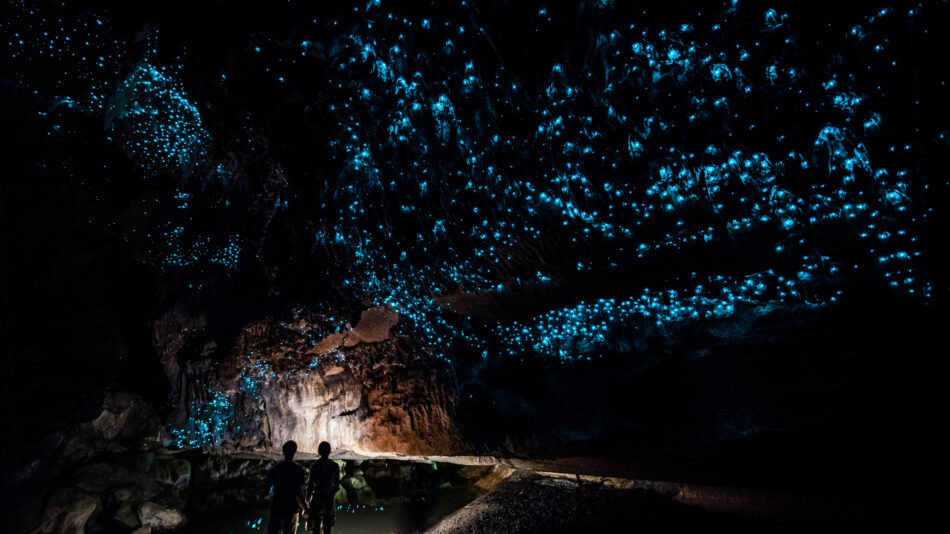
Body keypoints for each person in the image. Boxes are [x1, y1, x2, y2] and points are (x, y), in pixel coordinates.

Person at [264, 440, 308, 534]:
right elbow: (297, 494)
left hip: (277, 509)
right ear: (294, 452)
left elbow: (266, 494)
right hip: (292, 510)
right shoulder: (298, 471)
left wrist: (271, 495)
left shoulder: (275, 470)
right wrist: (305, 509)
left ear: (283, 451)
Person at [306, 441, 340, 534]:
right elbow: (336, 486)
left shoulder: (314, 466)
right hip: (328, 499)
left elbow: (310, 486)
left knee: (315, 528)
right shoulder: (335, 466)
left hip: (317, 498)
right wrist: (332, 496)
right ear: (329, 451)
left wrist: (307, 502)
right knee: (327, 528)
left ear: (319, 451)